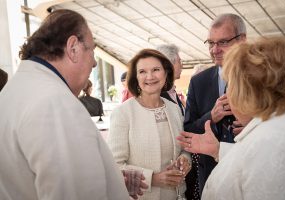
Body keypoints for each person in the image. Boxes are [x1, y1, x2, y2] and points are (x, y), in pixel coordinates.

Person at [0, 9, 130, 200]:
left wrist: (112, 178)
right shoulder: (56, 102)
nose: (94, 63)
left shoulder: (12, 92)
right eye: (92, 50)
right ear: (73, 48)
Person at [177, 37, 285, 200]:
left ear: (248, 90)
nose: (228, 93)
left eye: (231, 85)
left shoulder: (273, 140)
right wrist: (217, 149)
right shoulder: (278, 127)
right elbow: (252, 160)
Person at [107, 48, 191, 200]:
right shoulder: (123, 113)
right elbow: (114, 167)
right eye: (142, 71)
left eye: (156, 70)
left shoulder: (174, 108)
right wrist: (154, 178)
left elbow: (183, 149)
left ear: (166, 74)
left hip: (178, 196)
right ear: (136, 77)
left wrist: (185, 160)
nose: (150, 76)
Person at [183, 13, 247, 199]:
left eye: (223, 42)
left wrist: (254, 127)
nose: (214, 49)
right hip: (211, 174)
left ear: (242, 40)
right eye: (211, 43)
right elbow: (187, 129)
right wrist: (211, 116)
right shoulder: (198, 82)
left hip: (249, 168)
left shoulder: (263, 76)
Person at [156, 44, 185, 115]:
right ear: (169, 65)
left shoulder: (171, 91)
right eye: (179, 61)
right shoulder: (157, 94)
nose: (182, 65)